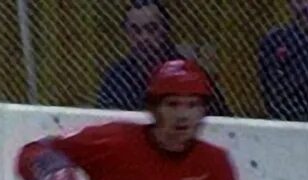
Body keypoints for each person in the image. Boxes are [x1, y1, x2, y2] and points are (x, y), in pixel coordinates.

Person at [18, 58, 243, 180]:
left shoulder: (214, 162)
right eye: (172, 104)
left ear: (203, 111)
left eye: (192, 105)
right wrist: (54, 170)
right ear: (154, 109)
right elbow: (34, 150)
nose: (182, 115)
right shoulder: (114, 141)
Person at [96, 0, 230, 115]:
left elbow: (221, 123)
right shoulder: (117, 76)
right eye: (136, 30)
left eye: (152, 29)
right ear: (127, 34)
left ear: (165, 30)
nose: (144, 37)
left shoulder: (190, 74)